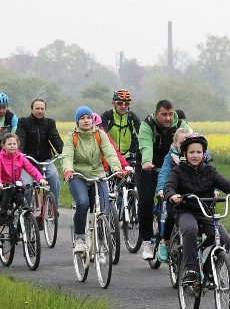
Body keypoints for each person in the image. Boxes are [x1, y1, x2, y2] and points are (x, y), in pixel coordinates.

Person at [163, 134, 230, 286]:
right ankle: (191, 270)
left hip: (206, 211)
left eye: (199, 152)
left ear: (203, 154)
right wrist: (173, 195)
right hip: (186, 211)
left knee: (224, 241)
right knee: (190, 229)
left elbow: (226, 184)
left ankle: (209, 272)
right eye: (191, 152)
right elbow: (169, 185)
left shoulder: (210, 171)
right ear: (184, 154)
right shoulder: (178, 171)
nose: (195, 155)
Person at [61, 106, 124, 254]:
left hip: (98, 174)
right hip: (78, 176)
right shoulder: (72, 136)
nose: (86, 120)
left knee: (104, 209)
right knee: (82, 203)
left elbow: (109, 152)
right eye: (82, 118)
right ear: (77, 121)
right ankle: (80, 239)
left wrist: (117, 168)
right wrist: (68, 170)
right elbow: (67, 155)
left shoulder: (99, 134)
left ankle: (102, 242)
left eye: (88, 117)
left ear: (92, 119)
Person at [137, 100, 190, 260]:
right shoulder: (147, 125)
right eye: (164, 114)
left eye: (170, 114)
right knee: (146, 201)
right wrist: (146, 162)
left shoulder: (181, 124)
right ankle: (147, 241)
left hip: (173, 166)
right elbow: (146, 145)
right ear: (156, 114)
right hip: (149, 166)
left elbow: (192, 141)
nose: (168, 118)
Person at [154, 127, 193, 262]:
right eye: (181, 142)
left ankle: (197, 252)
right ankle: (165, 242)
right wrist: (161, 190)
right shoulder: (170, 157)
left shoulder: (194, 155)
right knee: (171, 215)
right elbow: (164, 173)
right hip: (173, 193)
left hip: (190, 194)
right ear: (175, 143)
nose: (184, 145)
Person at [16, 98, 64, 202]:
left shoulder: (49, 123)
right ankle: (27, 213)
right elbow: (21, 138)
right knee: (27, 186)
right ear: (31, 109)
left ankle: (54, 207)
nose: (40, 111)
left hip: (45, 161)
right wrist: (19, 153)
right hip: (27, 161)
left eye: (42, 109)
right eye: (37, 108)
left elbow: (55, 139)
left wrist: (64, 153)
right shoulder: (23, 122)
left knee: (55, 178)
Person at [0, 133, 47, 221]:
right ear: (3, 145)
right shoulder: (1, 158)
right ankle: (3, 213)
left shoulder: (20, 157)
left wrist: (40, 178)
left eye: (14, 144)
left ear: (18, 145)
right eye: (9, 144)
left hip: (15, 186)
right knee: (10, 189)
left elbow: (31, 168)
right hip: (3, 188)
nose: (12, 146)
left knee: (22, 189)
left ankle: (25, 213)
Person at [100, 89, 141, 161]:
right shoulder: (107, 116)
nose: (123, 106)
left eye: (126, 104)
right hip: (110, 157)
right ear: (113, 103)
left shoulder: (131, 117)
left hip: (128, 157)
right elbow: (100, 137)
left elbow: (142, 136)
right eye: (120, 103)